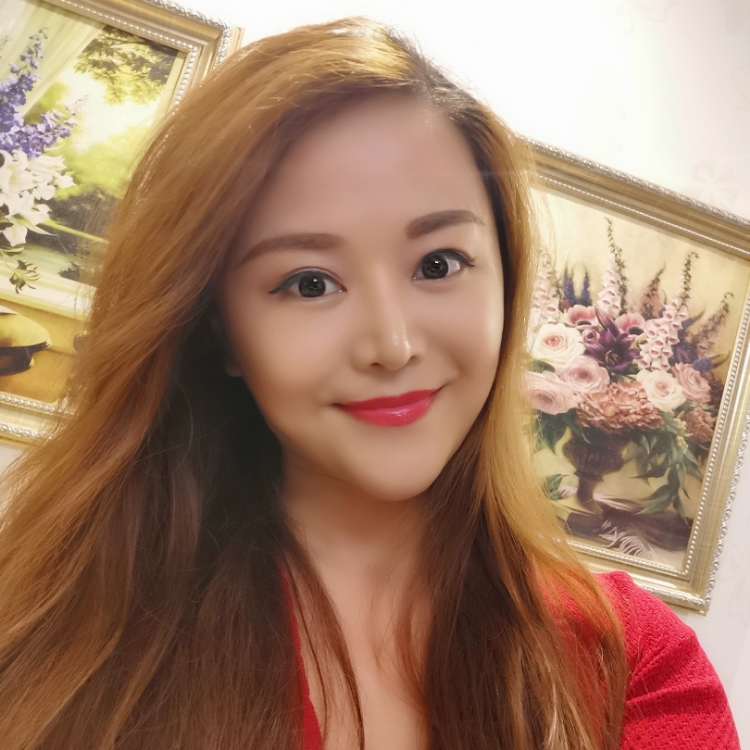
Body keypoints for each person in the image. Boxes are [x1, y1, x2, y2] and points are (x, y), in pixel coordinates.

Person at [0, 17, 739, 750]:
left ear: (508, 282)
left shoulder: (630, 661)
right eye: (310, 282)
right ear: (219, 330)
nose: (393, 345)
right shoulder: (56, 627)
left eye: (439, 264)